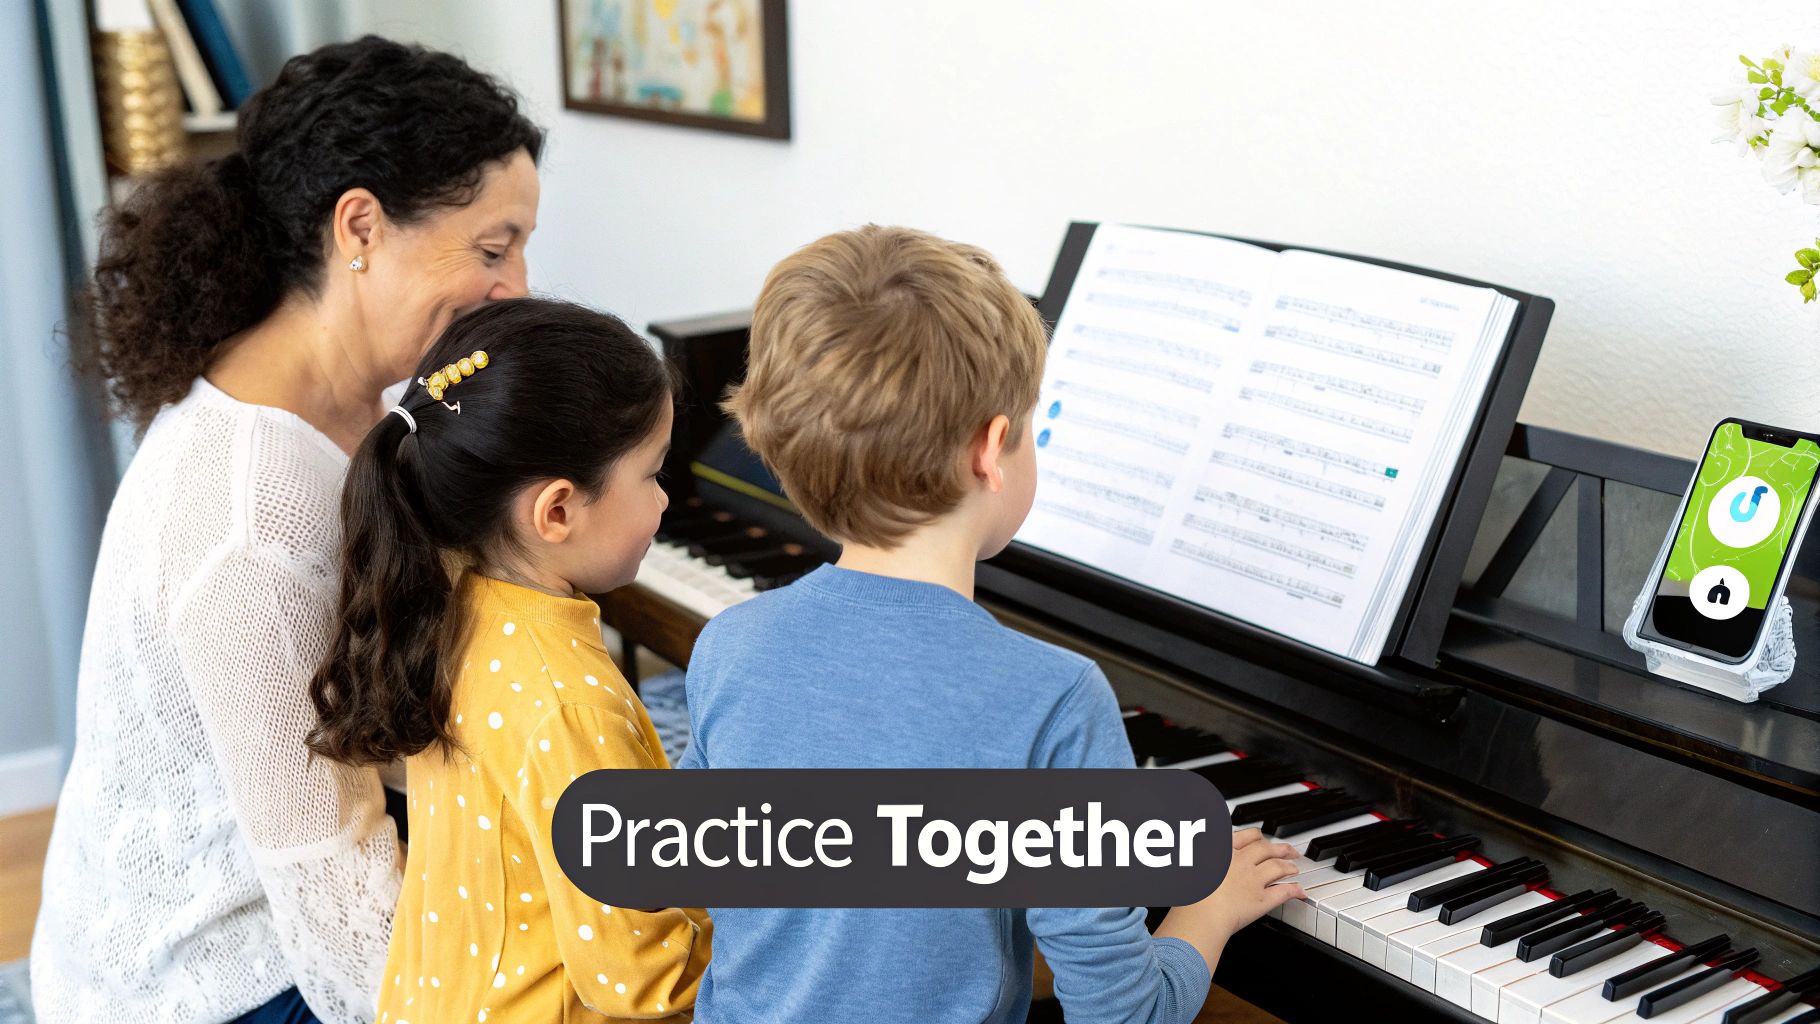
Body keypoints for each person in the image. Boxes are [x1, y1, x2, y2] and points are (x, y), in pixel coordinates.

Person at [33, 36, 543, 1024]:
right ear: (359, 225)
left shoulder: (343, 402)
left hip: (318, 839)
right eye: (491, 246)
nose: (515, 283)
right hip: (216, 974)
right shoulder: (251, 518)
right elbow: (338, 904)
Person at [677, 225, 1304, 1023]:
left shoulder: (732, 644)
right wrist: (1205, 915)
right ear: (993, 449)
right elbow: (1124, 1014)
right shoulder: (1050, 696)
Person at [306, 297, 711, 1024]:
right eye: (653, 474)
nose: (666, 497)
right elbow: (640, 982)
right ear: (556, 511)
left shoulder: (459, 609)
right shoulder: (569, 704)